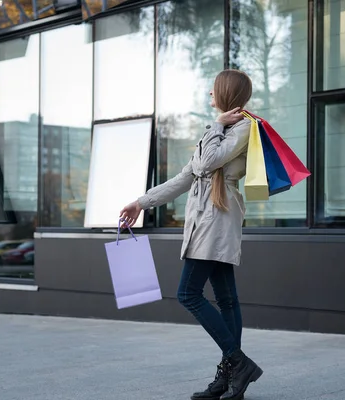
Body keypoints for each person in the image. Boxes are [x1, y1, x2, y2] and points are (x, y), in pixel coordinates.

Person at [120, 69, 263, 400]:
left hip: (217, 219)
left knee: (188, 293)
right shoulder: (220, 129)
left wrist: (216, 125)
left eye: (213, 92)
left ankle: (238, 364)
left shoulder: (240, 127)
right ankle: (232, 379)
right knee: (226, 299)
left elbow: (207, 162)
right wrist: (141, 202)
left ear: (226, 94)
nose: (210, 98)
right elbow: (186, 177)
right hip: (208, 219)